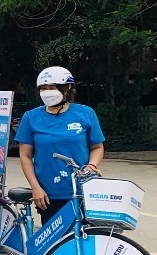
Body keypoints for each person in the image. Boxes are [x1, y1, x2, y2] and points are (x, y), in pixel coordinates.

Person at [15, 66, 105, 224]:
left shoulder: (85, 113)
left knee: (87, 235)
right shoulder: (31, 117)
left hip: (84, 190)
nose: (47, 92)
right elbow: (25, 156)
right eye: (43, 88)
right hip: (49, 195)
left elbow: (97, 147)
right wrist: (36, 188)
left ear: (67, 88)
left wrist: (91, 165)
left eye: (52, 88)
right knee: (56, 239)